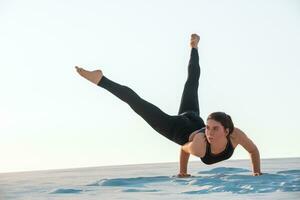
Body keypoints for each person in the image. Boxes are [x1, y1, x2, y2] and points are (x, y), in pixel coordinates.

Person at [75, 34, 262, 177]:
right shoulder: (200, 145)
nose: (210, 132)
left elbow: (253, 150)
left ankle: (193, 46)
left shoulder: (237, 135)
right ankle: (100, 79)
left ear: (227, 131)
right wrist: (183, 172)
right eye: (208, 127)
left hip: (191, 122)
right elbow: (184, 147)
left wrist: (256, 173)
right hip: (179, 127)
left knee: (191, 83)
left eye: (215, 129)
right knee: (142, 103)